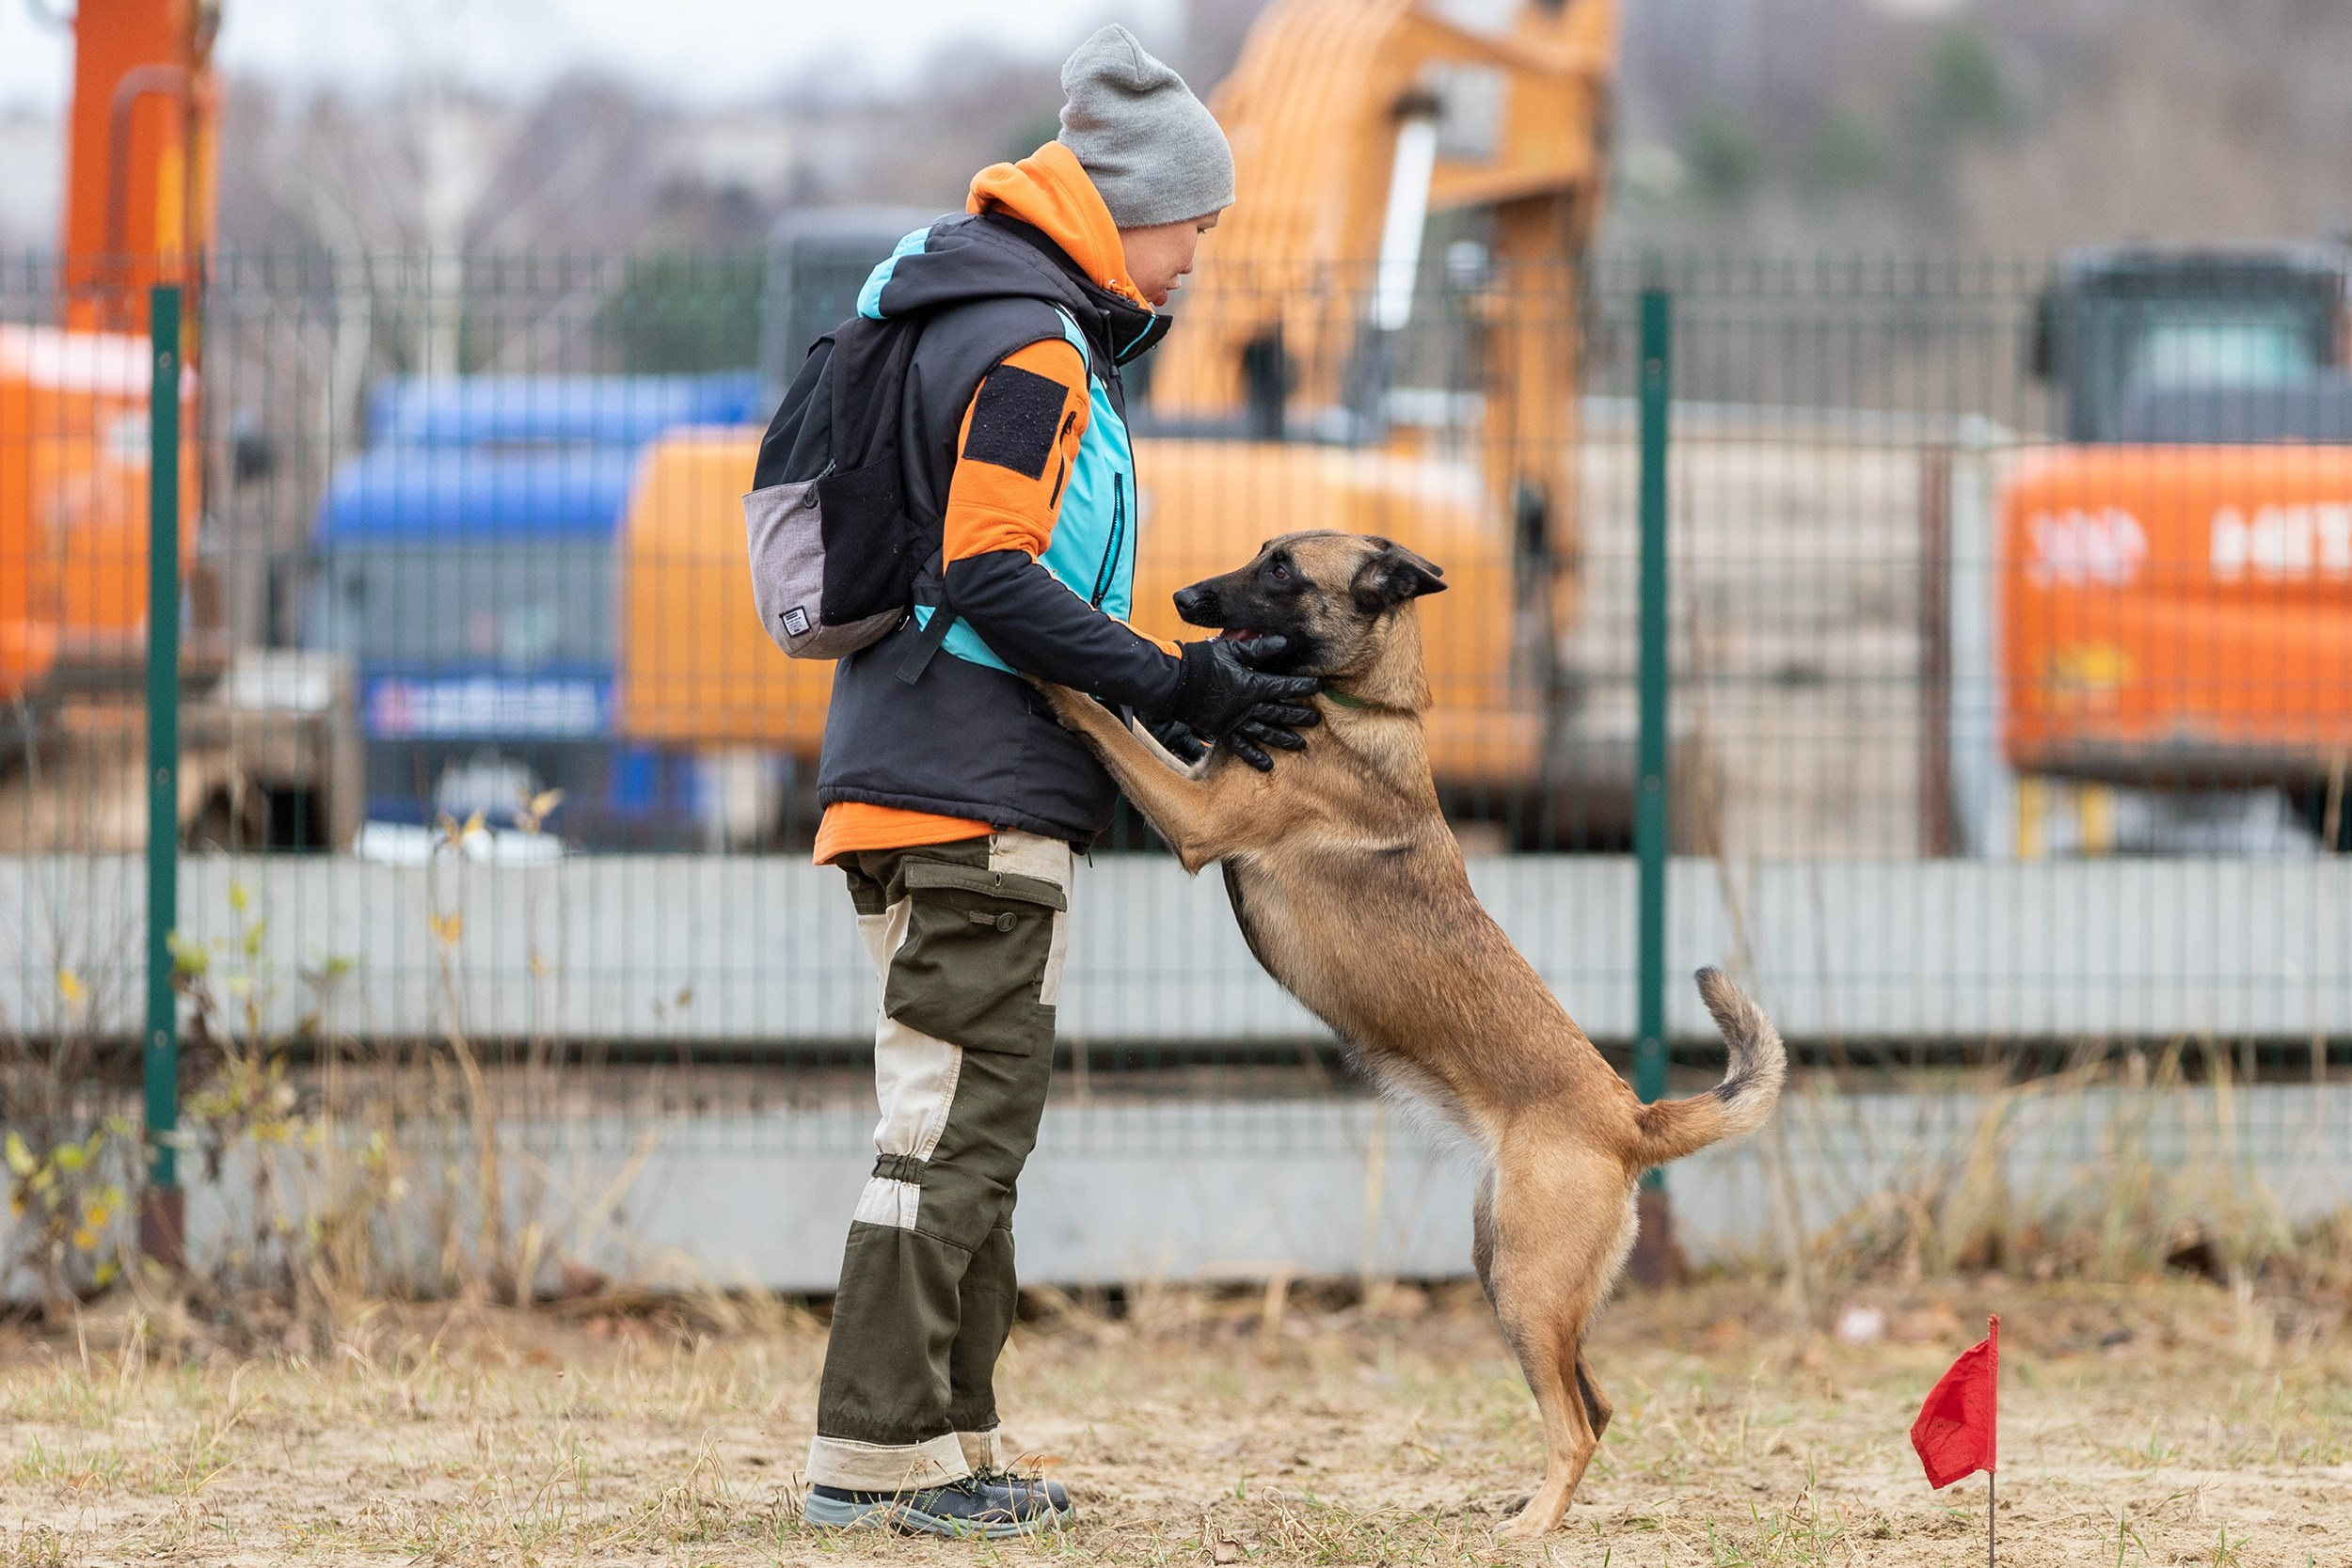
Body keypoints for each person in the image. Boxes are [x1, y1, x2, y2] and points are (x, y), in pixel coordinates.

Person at [799, 24, 1318, 1539]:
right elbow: (988, 568)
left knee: (974, 1122)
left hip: (928, 772)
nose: (1195, 266)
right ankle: (873, 1460)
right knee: (950, 1125)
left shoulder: (982, 314)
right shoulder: (1029, 347)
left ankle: (952, 1452)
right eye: (1192, 234)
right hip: (965, 794)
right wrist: (1178, 683)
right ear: (1128, 209)